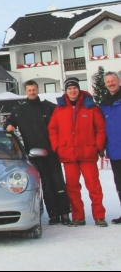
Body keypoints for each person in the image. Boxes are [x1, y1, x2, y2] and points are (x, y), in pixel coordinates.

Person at [4, 80, 71, 225]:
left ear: (37, 89)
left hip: (52, 153)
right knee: (46, 185)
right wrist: (9, 126)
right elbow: (8, 123)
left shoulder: (48, 107)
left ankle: (65, 213)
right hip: (35, 155)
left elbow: (64, 118)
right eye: (29, 90)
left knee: (58, 183)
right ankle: (53, 214)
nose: (32, 92)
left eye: (34, 90)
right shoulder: (20, 111)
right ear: (25, 92)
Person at [48, 77, 107, 227]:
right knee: (72, 188)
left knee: (94, 186)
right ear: (66, 91)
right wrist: (57, 147)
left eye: (75, 88)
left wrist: (98, 147)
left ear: (79, 89)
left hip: (88, 154)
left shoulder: (91, 107)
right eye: (69, 88)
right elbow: (52, 130)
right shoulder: (59, 109)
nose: (72, 91)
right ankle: (78, 216)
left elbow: (100, 129)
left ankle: (99, 216)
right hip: (68, 155)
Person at [99, 71, 121, 224]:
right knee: (119, 183)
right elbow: (100, 128)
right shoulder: (104, 103)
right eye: (108, 82)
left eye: (113, 81)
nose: (111, 84)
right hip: (114, 150)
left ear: (119, 81)